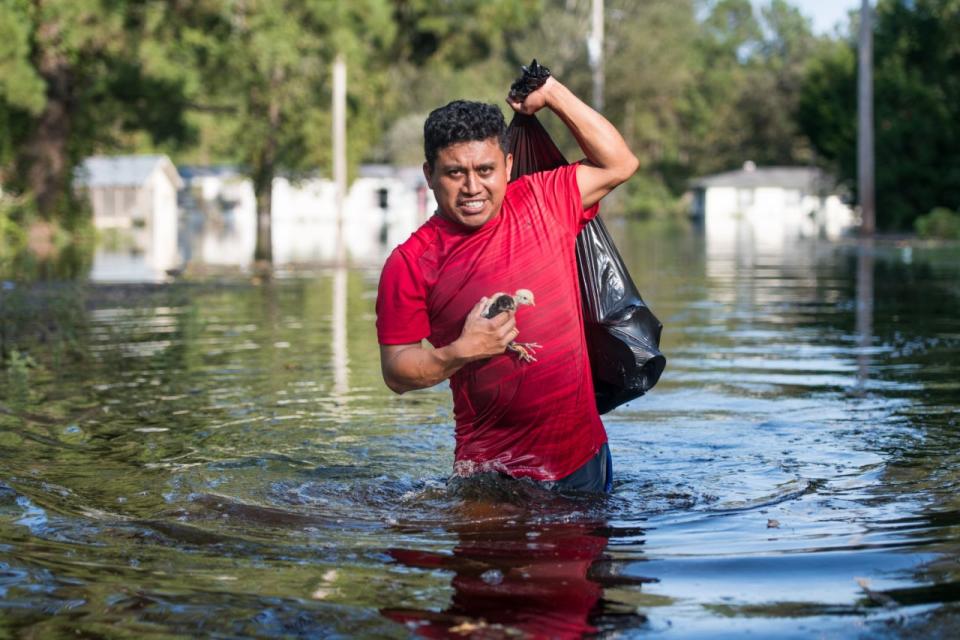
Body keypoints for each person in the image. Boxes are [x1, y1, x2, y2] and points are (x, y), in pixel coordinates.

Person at [375, 76, 638, 493]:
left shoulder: (544, 199)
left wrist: (552, 94)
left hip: (582, 459)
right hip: (490, 474)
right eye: (454, 173)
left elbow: (619, 163)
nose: (472, 187)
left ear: (509, 166)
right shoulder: (409, 263)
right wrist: (459, 353)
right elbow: (396, 371)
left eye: (485, 170)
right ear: (429, 174)